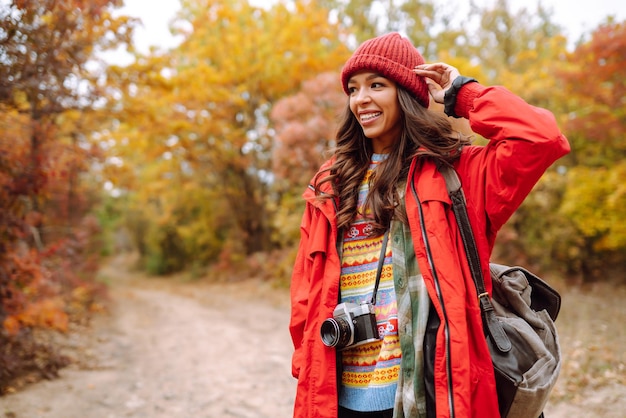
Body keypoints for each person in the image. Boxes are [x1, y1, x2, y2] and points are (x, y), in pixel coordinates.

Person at [288, 32, 570, 418]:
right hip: (337, 394)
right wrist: (306, 367)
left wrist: (462, 94)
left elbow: (541, 138)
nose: (361, 99)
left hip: (432, 391)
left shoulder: (456, 173)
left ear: (406, 94)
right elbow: (306, 288)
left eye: (377, 85)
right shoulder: (330, 183)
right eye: (353, 88)